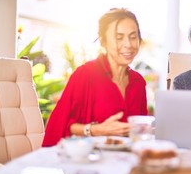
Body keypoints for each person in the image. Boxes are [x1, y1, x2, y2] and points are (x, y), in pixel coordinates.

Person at [42, 8, 148, 147]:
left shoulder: (138, 82)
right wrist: (95, 130)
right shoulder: (85, 75)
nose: (128, 44)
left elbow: (141, 129)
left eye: (133, 37)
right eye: (119, 37)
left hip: (128, 161)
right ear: (103, 41)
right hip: (89, 161)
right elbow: (59, 125)